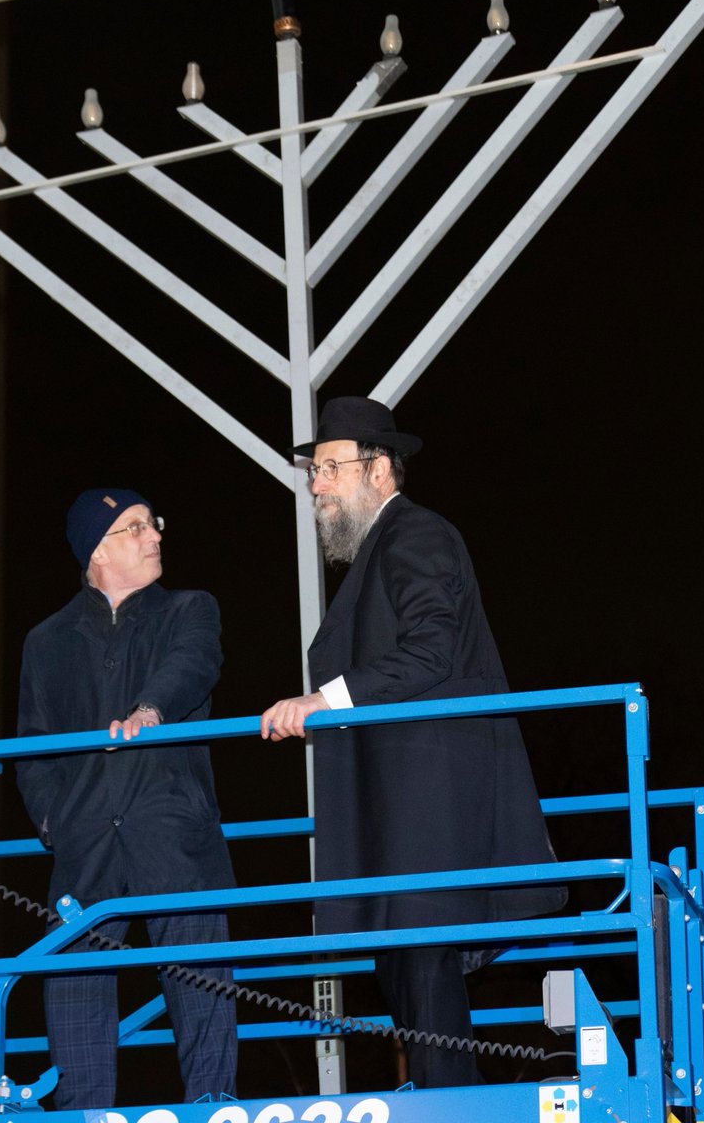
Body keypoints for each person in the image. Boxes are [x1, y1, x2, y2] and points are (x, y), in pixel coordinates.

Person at [260, 397, 565, 1089]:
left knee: (424, 978)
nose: (316, 484)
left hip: (427, 811)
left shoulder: (416, 535)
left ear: (380, 469)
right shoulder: (383, 548)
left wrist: (324, 700)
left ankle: (450, 1105)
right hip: (396, 816)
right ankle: (442, 1097)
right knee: (409, 979)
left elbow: (432, 649)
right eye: (314, 471)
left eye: (329, 467)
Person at [16, 488, 237, 1109]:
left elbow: (195, 663)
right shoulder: (47, 640)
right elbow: (32, 745)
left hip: (175, 839)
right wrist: (54, 820)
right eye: (136, 527)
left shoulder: (190, 609)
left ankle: (214, 1113)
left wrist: (150, 709)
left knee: (204, 1002)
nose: (155, 535)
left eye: (152, 523)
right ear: (97, 552)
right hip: (84, 848)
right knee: (75, 1003)